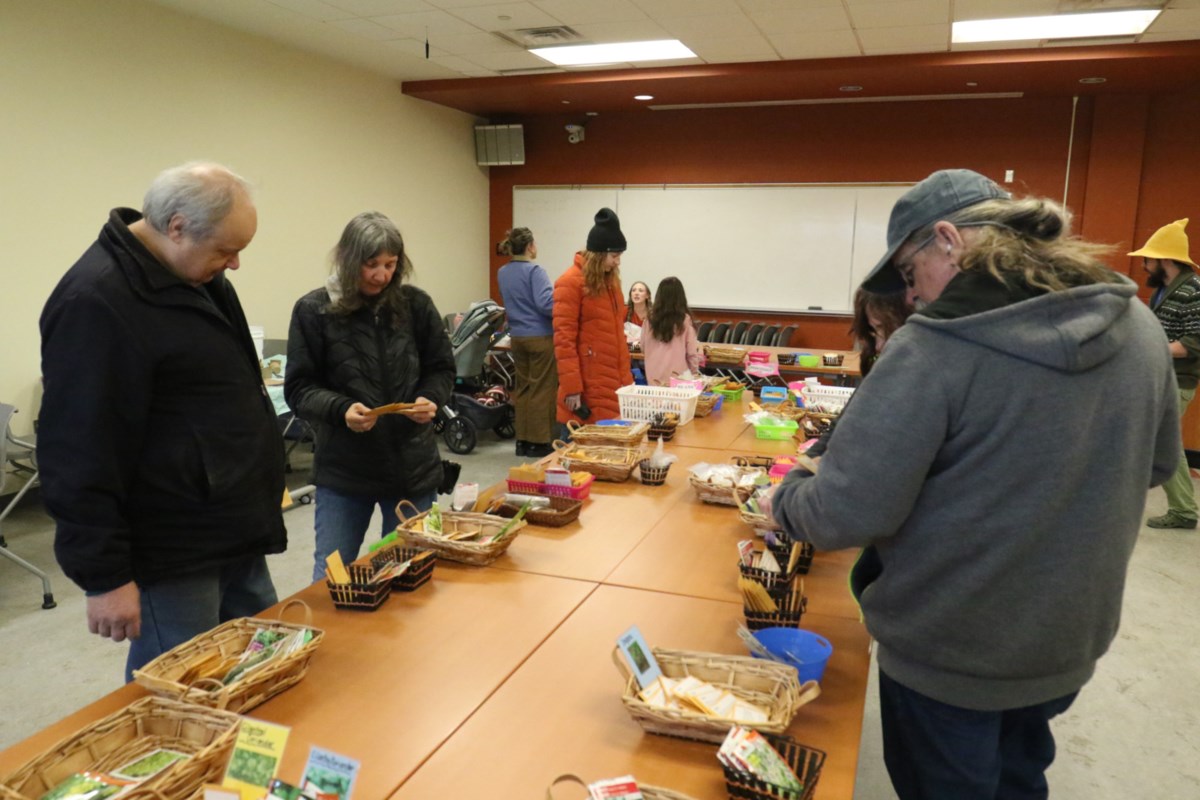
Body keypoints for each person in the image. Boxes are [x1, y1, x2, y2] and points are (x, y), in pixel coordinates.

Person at [769, 169, 1179, 800]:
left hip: (949, 649)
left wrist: (784, 495)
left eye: (909, 275)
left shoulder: (937, 348)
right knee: (1019, 777)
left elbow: (842, 513)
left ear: (948, 242)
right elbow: (1155, 467)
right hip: (1065, 639)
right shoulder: (1142, 330)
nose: (908, 299)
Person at [39, 162, 287, 680]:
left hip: (232, 526)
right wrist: (104, 576)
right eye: (225, 249)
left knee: (259, 669)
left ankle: (244, 764)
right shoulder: (96, 301)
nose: (235, 264)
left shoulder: (200, 275)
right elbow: (78, 449)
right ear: (176, 226)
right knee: (182, 688)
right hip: (172, 547)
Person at [285, 211, 455, 583]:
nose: (382, 275)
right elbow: (299, 389)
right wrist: (342, 409)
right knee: (333, 578)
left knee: (410, 572)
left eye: (391, 264)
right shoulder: (314, 311)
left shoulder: (416, 305)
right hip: (345, 471)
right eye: (371, 264)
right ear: (349, 260)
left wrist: (431, 397)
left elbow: (441, 368)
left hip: (413, 467)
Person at [1129, 218, 1200, 529]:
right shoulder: (1166, 289)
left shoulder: (1192, 291)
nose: (1145, 265)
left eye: (1148, 259)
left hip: (1178, 380)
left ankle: (1184, 510)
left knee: (1163, 442)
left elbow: (1193, 343)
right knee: (1162, 441)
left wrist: (1148, 344)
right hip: (1162, 376)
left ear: (1164, 260)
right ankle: (1184, 508)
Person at [553, 207, 632, 423]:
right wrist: (572, 388)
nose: (618, 261)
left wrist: (628, 384)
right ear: (599, 254)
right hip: (585, 390)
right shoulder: (569, 283)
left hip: (615, 386)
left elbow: (617, 338)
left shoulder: (611, 284)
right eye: (614, 256)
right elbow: (563, 341)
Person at [495, 227, 557, 458]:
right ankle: (540, 442)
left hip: (517, 337)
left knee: (523, 388)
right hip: (540, 336)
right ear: (530, 246)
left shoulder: (502, 272)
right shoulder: (535, 271)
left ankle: (522, 440)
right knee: (542, 389)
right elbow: (545, 305)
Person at [639, 276, 701, 386]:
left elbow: (643, 347)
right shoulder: (684, 320)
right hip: (679, 380)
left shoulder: (649, 319)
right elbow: (692, 353)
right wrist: (693, 373)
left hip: (653, 378)